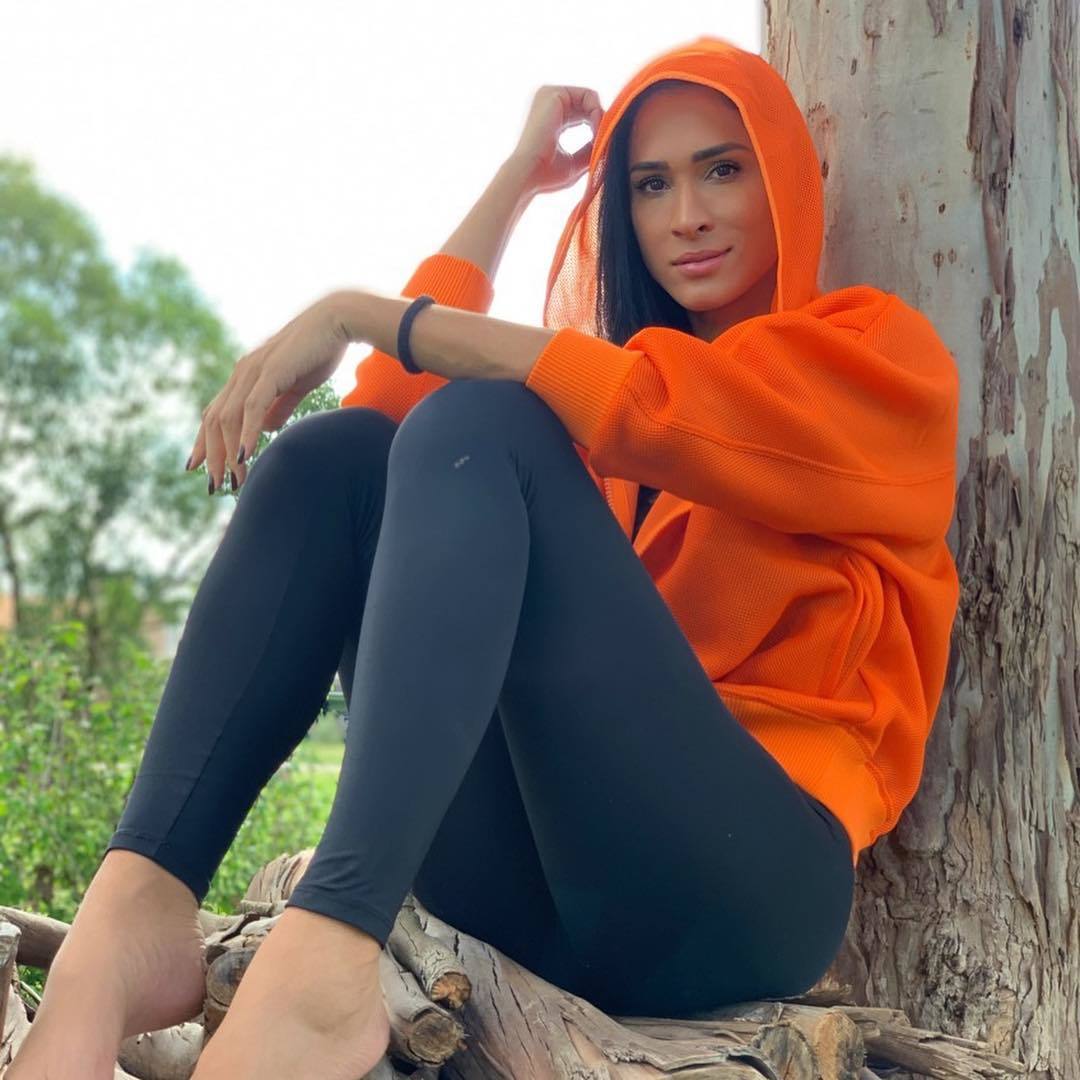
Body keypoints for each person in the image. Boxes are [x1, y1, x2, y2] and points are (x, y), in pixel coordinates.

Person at [8, 34, 961, 1080]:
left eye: (722, 169)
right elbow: (390, 413)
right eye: (649, 184)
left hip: (739, 894)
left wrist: (351, 310)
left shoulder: (875, 360)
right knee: (336, 456)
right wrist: (516, 182)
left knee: (490, 423)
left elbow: (655, 407)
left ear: (784, 180)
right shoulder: (592, 443)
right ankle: (130, 917)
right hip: (535, 891)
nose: (685, 213)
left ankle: (326, 950)